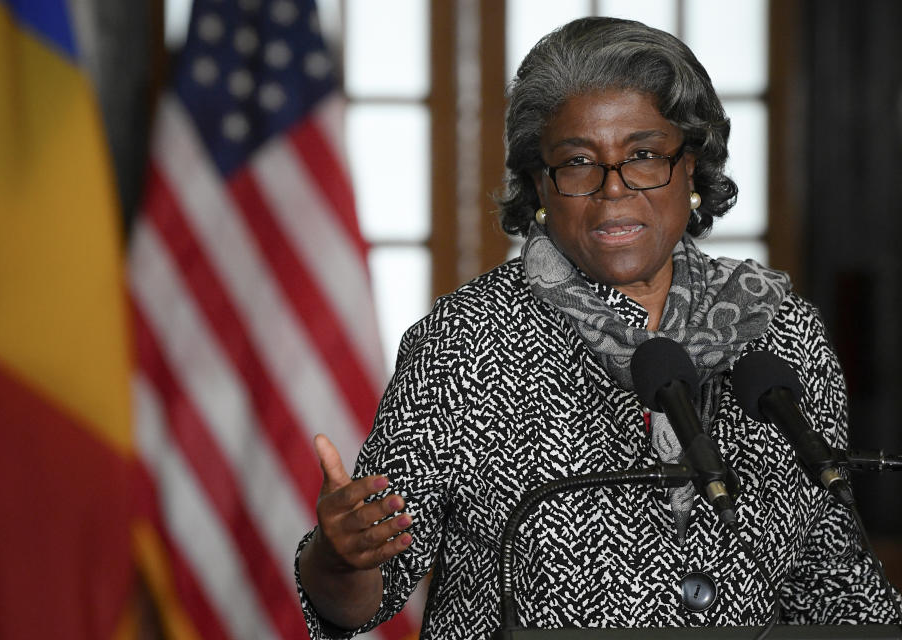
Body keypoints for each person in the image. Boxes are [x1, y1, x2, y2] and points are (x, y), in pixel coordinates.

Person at [295, 16, 902, 639]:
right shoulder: (464, 344)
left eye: (643, 156)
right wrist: (339, 557)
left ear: (690, 167)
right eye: (578, 162)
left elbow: (835, 584)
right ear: (540, 185)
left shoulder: (782, 335)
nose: (613, 190)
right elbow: (364, 596)